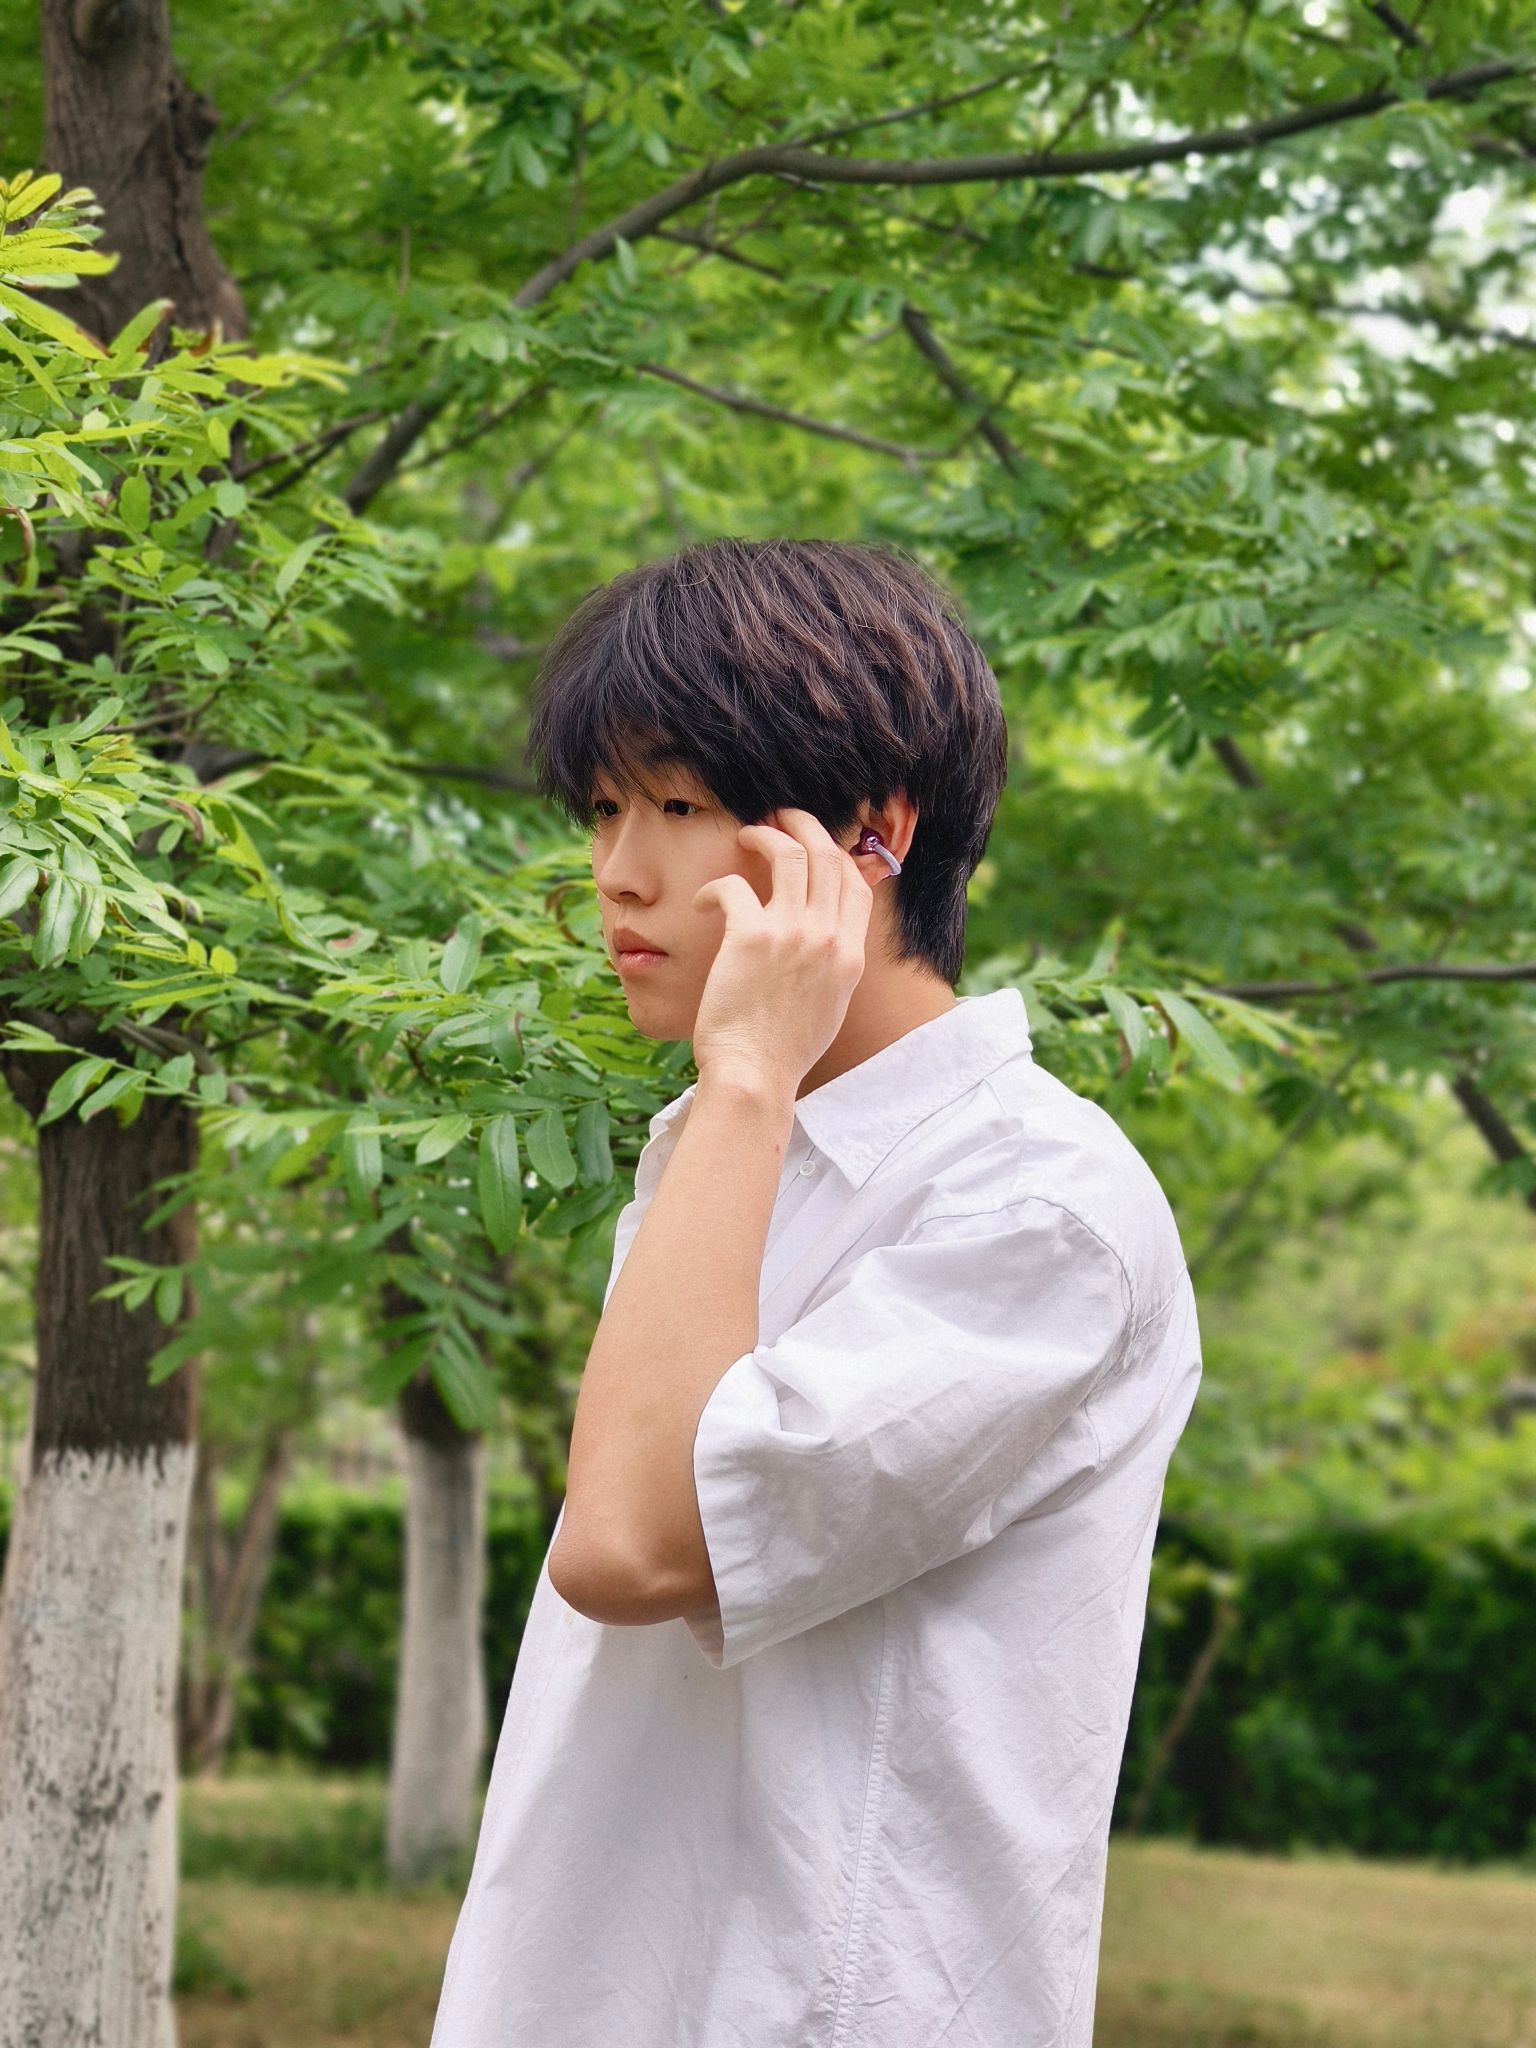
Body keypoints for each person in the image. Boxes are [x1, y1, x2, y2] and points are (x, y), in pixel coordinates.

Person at [428, 537, 1202, 2048]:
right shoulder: (740, 1148)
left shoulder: (1038, 1209)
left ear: (871, 836)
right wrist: (743, 1097)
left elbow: (630, 1546)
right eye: (603, 809)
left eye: (679, 807)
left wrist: (744, 1075)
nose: (618, 873)